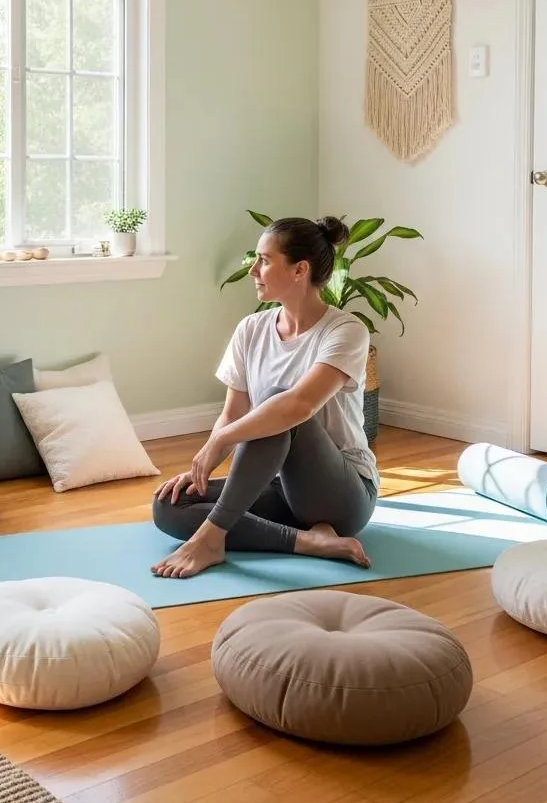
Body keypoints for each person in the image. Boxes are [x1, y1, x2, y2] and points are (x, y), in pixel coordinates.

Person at [150, 215, 380, 579]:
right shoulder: (251, 329)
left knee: (278, 404)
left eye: (264, 260)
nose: (253, 270)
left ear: (299, 270)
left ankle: (211, 539)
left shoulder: (346, 331)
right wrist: (201, 467)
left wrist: (222, 439)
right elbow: (232, 415)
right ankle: (307, 541)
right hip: (276, 487)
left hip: (341, 494)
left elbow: (298, 406)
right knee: (169, 504)